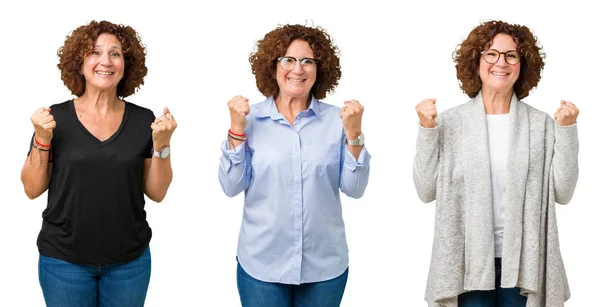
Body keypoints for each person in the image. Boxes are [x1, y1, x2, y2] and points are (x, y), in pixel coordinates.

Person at [414, 20, 579, 307]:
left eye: (511, 55)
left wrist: (567, 130)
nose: (500, 62)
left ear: (522, 65)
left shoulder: (540, 124)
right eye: (491, 53)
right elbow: (426, 190)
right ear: (476, 61)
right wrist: (427, 130)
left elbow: (563, 192)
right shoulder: (450, 122)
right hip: (466, 263)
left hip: (524, 264)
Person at [20, 20, 177, 307]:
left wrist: (162, 144)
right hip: (64, 263)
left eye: (115, 54)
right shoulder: (54, 119)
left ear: (126, 65)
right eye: (95, 52)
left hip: (129, 264)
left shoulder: (144, 120)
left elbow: (156, 193)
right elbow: (32, 188)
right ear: (79, 64)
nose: (105, 61)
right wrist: (42, 138)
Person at [218, 24, 371, 307]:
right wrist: (236, 130)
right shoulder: (248, 119)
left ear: (319, 68)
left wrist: (354, 135)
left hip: (324, 269)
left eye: (307, 61)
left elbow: (355, 188)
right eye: (288, 60)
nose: (297, 70)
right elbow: (231, 186)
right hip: (262, 267)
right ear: (272, 66)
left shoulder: (339, 120)